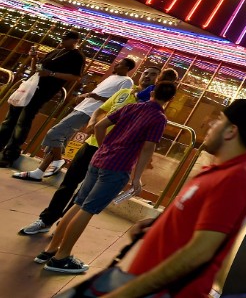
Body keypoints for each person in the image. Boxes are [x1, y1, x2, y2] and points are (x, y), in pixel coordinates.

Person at [101, 99, 246, 298]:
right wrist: (160, 225)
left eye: (218, 121)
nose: (210, 125)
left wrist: (128, 293)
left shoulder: (236, 178)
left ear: (230, 131)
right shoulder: (218, 169)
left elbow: (200, 252)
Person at [39, 81, 176, 273]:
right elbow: (147, 148)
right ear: (171, 99)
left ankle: (50, 250)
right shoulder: (159, 118)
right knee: (88, 209)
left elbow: (100, 126)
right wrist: (137, 178)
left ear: (152, 92)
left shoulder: (131, 107)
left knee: (79, 203)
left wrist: (104, 147)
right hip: (117, 167)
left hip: (99, 160)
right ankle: (61, 258)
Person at [17, 68, 168, 236]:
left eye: (153, 74)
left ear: (159, 80)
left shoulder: (152, 106)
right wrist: (94, 121)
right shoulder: (125, 92)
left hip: (112, 155)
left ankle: (64, 226)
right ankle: (46, 220)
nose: (147, 76)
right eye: (145, 73)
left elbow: (148, 142)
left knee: (84, 195)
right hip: (92, 145)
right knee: (68, 183)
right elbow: (102, 109)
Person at [13, 57, 136, 181]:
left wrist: (98, 98)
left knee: (54, 134)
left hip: (89, 112)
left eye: (120, 64)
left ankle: (58, 160)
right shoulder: (111, 77)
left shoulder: (127, 81)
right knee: (61, 138)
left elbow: (118, 101)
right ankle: (39, 171)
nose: (116, 64)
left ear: (127, 68)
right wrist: (84, 96)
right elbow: (97, 94)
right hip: (82, 107)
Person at [0, 31, 85, 168]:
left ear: (75, 41)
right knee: (10, 119)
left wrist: (52, 74)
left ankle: (9, 155)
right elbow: (37, 70)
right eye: (62, 38)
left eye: (65, 39)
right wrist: (34, 58)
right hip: (29, 89)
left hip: (42, 92)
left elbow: (76, 77)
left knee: (23, 122)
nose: (62, 41)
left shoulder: (77, 56)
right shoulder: (55, 51)